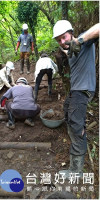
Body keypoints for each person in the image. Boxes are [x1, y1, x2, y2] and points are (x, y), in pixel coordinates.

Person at [52, 20, 99, 177]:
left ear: (71, 32)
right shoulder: (71, 51)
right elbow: (67, 50)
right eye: (58, 39)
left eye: (64, 37)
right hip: (76, 90)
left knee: (75, 122)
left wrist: (79, 40)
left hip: (83, 89)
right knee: (68, 111)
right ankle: (77, 134)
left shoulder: (83, 41)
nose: (62, 41)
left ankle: (76, 170)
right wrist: (65, 49)